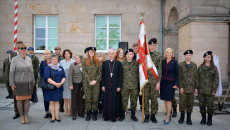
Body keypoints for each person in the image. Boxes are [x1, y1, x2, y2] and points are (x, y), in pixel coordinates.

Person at [10, 44, 35, 124]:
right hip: (19, 82)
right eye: (21, 48)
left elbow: (31, 71)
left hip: (28, 81)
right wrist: (12, 83)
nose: (23, 50)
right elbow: (12, 72)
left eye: (25, 48)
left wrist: (33, 81)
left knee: (27, 99)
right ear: (18, 50)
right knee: (20, 100)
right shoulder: (14, 59)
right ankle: (21, 116)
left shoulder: (28, 58)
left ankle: (26, 115)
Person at [198, 51, 219, 126]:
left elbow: (216, 80)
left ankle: (209, 119)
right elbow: (197, 78)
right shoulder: (200, 67)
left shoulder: (214, 68)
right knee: (201, 105)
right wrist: (197, 88)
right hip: (201, 90)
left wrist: (214, 90)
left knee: (210, 106)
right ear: (204, 58)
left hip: (210, 91)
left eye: (208, 57)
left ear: (211, 58)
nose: (207, 58)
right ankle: (203, 119)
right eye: (206, 57)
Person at [101, 49, 123, 122]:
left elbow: (120, 76)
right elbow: (102, 76)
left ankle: (114, 116)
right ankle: (106, 116)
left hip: (115, 86)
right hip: (107, 85)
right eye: (109, 53)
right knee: (106, 101)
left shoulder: (118, 63)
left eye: (112, 53)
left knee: (115, 101)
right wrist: (103, 85)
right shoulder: (105, 63)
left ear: (114, 54)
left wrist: (119, 86)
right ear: (108, 54)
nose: (111, 55)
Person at [144, 38, 162, 123]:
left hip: (154, 81)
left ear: (156, 45)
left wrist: (158, 82)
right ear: (148, 45)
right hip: (145, 81)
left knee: (154, 99)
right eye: (150, 45)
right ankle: (147, 115)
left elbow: (160, 70)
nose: (152, 47)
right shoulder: (144, 55)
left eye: (153, 45)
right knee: (145, 99)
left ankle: (153, 115)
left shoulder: (158, 55)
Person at [178, 50, 198, 125]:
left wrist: (196, 87)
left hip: (191, 88)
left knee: (190, 104)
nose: (188, 56)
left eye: (189, 55)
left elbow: (196, 77)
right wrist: (180, 87)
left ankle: (189, 118)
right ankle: (182, 117)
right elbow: (179, 77)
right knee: (182, 103)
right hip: (183, 88)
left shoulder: (194, 65)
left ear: (191, 56)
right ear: (185, 56)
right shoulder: (181, 65)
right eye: (187, 55)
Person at [44, 55, 66, 123]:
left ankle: (57, 116)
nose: (54, 60)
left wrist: (60, 83)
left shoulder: (61, 67)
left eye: (55, 59)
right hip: (51, 88)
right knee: (51, 102)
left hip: (59, 88)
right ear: (50, 60)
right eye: (53, 59)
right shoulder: (48, 68)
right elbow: (47, 78)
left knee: (57, 102)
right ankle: (53, 116)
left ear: (57, 60)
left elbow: (64, 77)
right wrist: (56, 84)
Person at [160, 48, 179, 125]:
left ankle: (168, 116)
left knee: (169, 100)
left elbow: (177, 74)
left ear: (172, 54)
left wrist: (176, 84)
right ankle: (168, 113)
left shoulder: (174, 62)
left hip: (171, 84)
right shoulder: (163, 62)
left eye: (170, 52)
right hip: (163, 83)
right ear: (165, 53)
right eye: (168, 52)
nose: (169, 54)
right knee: (165, 100)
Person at [82, 47, 101, 121]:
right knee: (88, 99)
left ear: (95, 53)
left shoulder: (98, 61)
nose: (91, 53)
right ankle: (88, 114)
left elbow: (100, 72)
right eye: (90, 52)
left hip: (96, 83)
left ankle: (94, 114)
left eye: (93, 52)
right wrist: (89, 81)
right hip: (87, 83)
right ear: (88, 53)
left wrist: (95, 80)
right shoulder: (84, 61)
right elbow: (84, 72)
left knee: (95, 99)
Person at [121, 49, 139, 121]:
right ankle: (122, 115)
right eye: (128, 54)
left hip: (134, 85)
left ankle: (133, 115)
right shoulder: (122, 63)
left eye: (131, 54)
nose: (129, 56)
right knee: (124, 100)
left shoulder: (136, 63)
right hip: (124, 85)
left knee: (134, 101)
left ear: (133, 55)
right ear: (126, 55)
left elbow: (139, 74)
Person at [10, 41, 23, 120]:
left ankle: (24, 112)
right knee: (16, 97)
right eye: (17, 46)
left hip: (24, 80)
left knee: (24, 97)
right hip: (16, 80)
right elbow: (11, 70)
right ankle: (17, 112)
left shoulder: (26, 55)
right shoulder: (12, 55)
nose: (18, 47)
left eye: (20, 46)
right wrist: (11, 82)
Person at [69, 55, 85, 120]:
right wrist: (70, 84)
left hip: (83, 84)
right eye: (75, 58)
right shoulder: (72, 65)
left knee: (81, 99)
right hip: (75, 83)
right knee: (74, 99)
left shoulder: (84, 64)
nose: (76, 59)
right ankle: (74, 114)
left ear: (81, 59)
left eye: (78, 58)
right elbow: (70, 75)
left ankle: (81, 113)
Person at [60, 49, 74, 116]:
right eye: (65, 54)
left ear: (70, 54)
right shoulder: (61, 62)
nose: (66, 55)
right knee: (65, 96)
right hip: (64, 81)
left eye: (68, 53)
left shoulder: (73, 62)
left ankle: (69, 110)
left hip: (71, 80)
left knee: (70, 97)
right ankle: (65, 110)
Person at [39, 50, 52, 118]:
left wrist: (51, 80)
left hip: (52, 83)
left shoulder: (53, 62)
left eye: (48, 54)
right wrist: (46, 79)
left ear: (50, 55)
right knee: (46, 98)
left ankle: (52, 111)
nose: (46, 55)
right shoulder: (42, 63)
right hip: (45, 83)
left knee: (52, 98)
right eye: (45, 54)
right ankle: (47, 111)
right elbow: (41, 72)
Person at [54, 46, 65, 113]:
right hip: (54, 77)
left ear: (60, 50)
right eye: (56, 50)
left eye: (58, 50)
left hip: (61, 76)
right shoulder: (53, 57)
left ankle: (61, 106)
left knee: (61, 92)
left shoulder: (62, 58)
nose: (57, 51)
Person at [132, 43, 142, 110]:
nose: (135, 50)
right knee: (134, 93)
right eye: (134, 48)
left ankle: (141, 105)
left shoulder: (141, 56)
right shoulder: (132, 56)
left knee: (141, 92)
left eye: (136, 48)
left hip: (141, 77)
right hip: (133, 78)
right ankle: (133, 106)